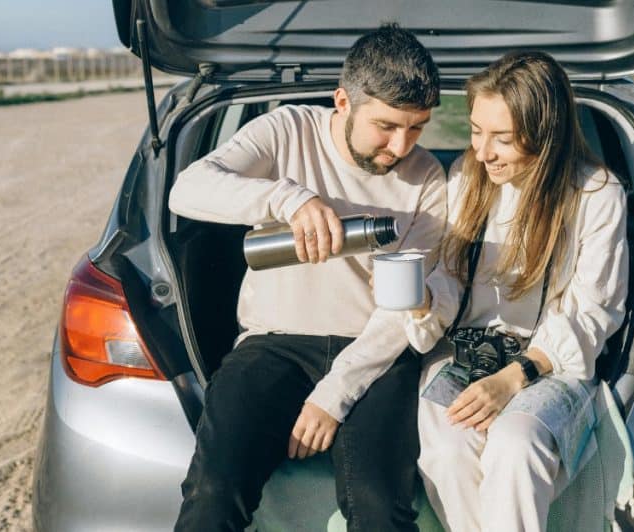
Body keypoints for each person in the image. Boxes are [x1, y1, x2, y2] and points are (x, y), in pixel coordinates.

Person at [168, 24, 447, 531]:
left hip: (376, 354)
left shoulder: (427, 177)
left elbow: (402, 310)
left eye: (417, 128)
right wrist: (287, 198)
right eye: (386, 126)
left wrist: (332, 396)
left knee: (379, 503)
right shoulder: (287, 131)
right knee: (214, 490)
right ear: (343, 101)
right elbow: (187, 190)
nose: (401, 146)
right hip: (272, 344)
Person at [405, 51, 629, 531]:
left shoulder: (597, 195)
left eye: (502, 139)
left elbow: (593, 313)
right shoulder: (468, 178)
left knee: (516, 443)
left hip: (552, 361)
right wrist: (423, 301)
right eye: (475, 130)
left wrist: (514, 377)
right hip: (466, 352)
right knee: (446, 447)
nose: (482, 152)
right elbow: (451, 280)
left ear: (544, 136)